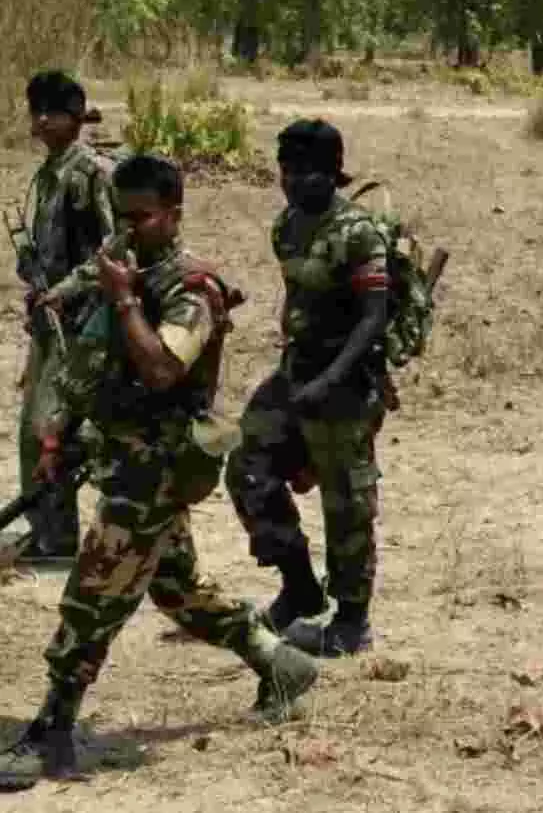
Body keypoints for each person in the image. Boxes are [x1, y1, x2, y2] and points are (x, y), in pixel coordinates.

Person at [0, 155, 318, 791]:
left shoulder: (191, 288)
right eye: (121, 216)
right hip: (122, 452)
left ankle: (52, 730)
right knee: (175, 586)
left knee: (93, 595)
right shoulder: (124, 260)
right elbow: (73, 329)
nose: (128, 228)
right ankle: (277, 661)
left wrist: (121, 301)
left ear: (174, 214)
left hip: (161, 465)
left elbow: (164, 369)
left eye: (142, 217)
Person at [225, 119, 390, 657]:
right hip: (297, 373)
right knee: (247, 463)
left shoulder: (359, 232)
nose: (293, 181)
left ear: (333, 173)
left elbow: (373, 318)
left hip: (344, 381)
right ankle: (298, 585)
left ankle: (351, 620)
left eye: (307, 171)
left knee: (347, 501)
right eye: (286, 169)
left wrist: (330, 380)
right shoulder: (286, 227)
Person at [7, 71, 117, 563]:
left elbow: (117, 248)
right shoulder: (48, 175)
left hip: (85, 323)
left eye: (51, 111)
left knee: (50, 428)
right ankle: (49, 531)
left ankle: (58, 539)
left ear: (75, 117)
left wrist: (68, 291)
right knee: (39, 427)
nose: (41, 121)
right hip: (49, 323)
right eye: (37, 111)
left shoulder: (93, 173)